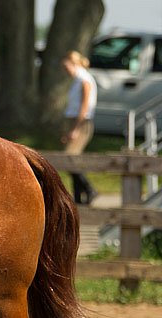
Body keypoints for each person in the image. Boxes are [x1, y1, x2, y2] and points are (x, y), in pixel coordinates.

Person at [61, 50, 99, 205]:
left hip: (81, 123)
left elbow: (85, 106)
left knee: (70, 157)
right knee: (73, 160)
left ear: (73, 64)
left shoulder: (84, 80)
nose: (66, 71)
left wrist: (76, 128)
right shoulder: (77, 80)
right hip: (73, 121)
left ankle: (89, 189)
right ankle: (78, 197)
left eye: (67, 67)